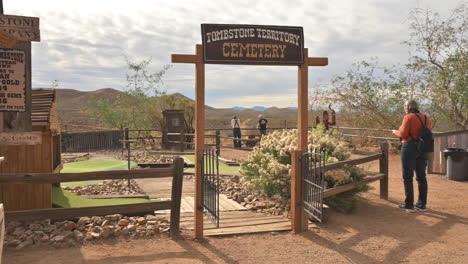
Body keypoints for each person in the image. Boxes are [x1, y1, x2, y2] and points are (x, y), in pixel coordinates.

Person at [392, 99, 432, 211]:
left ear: (407, 107)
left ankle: (409, 204)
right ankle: (422, 204)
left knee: (407, 176)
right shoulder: (426, 118)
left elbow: (403, 134)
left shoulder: (408, 117)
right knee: (421, 177)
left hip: (409, 147)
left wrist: (395, 132)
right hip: (422, 148)